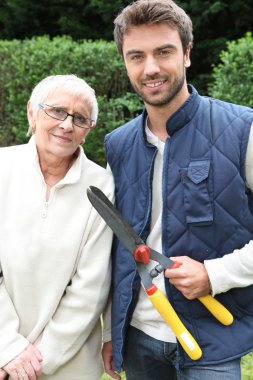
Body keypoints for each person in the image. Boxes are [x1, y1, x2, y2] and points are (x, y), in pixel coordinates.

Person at [101, 1, 253, 379]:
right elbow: (110, 248)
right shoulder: (117, 145)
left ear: (186, 54)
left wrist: (215, 274)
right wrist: (109, 331)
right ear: (125, 62)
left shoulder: (243, 129)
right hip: (137, 338)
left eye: (163, 52)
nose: (150, 68)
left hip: (214, 338)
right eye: (136, 56)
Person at [0, 74, 114, 380]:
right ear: (31, 112)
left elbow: (91, 288)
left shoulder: (102, 187)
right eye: (56, 111)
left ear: (88, 130)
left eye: (79, 118)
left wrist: (34, 365)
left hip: (68, 366)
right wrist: (8, 348)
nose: (66, 124)